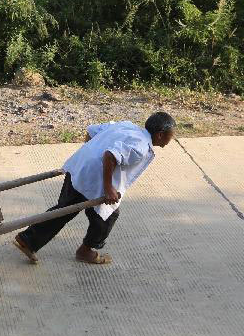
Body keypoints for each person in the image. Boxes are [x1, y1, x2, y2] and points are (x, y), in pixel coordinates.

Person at [13, 112, 176, 265]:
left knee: (64, 210)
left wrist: (88, 157)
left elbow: (92, 131)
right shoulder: (141, 146)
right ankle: (85, 251)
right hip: (93, 182)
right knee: (108, 217)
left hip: (78, 168)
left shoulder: (127, 125)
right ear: (160, 134)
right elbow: (110, 155)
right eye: (171, 134)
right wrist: (108, 188)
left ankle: (28, 240)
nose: (172, 138)